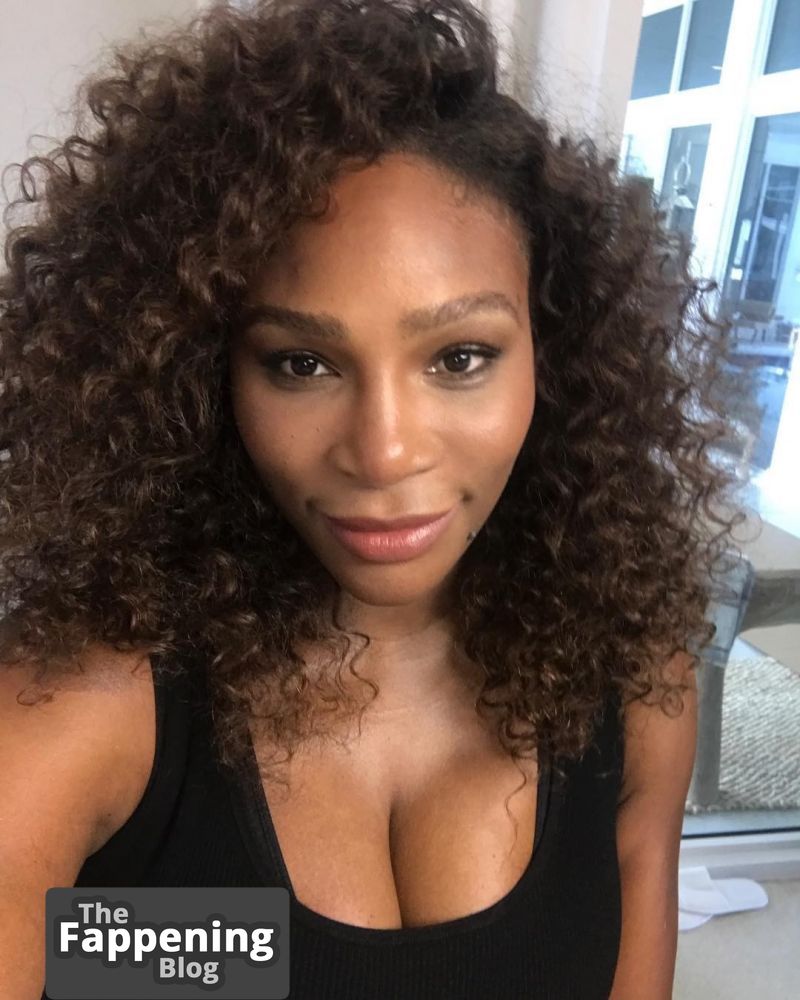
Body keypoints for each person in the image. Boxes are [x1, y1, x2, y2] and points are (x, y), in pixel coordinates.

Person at [0, 1, 746, 997]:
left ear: (553, 354)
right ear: (201, 371)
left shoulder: (635, 677)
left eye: (460, 356)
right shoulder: (84, 708)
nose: (384, 452)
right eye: (302, 362)